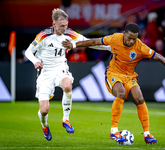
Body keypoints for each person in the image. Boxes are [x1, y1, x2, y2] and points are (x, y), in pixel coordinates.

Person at [62, 23, 165, 144]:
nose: (131, 41)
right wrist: (73, 45)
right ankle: (114, 130)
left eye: (135, 38)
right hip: (113, 74)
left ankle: (147, 134)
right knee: (121, 93)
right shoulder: (115, 38)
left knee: (139, 98)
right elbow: (94, 41)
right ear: (124, 34)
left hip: (129, 77)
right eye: (129, 38)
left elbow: (160, 57)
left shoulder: (140, 47)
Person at [25, 8, 111, 141]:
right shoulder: (43, 35)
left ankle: (66, 119)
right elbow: (28, 52)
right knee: (44, 110)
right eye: (61, 26)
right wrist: (36, 61)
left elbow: (89, 42)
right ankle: (44, 125)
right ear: (54, 24)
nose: (65, 28)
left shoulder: (70, 33)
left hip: (61, 68)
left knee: (67, 86)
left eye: (66, 25)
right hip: (46, 72)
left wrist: (110, 47)